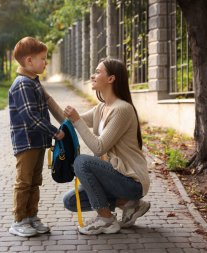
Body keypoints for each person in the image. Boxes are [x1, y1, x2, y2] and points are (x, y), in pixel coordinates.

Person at [62, 58, 151, 235]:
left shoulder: (122, 109)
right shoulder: (101, 108)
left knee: (82, 162)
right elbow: (69, 121)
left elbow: (99, 147)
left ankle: (106, 219)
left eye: (97, 71)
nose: (92, 75)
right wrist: (44, 98)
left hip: (131, 180)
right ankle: (129, 204)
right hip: (114, 176)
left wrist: (77, 119)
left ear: (111, 79)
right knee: (71, 201)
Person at [8, 36, 65, 237]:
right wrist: (55, 132)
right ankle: (19, 220)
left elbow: (48, 104)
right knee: (24, 181)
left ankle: (31, 216)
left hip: (38, 141)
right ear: (29, 61)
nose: (46, 62)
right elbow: (30, 117)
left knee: (35, 180)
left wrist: (65, 122)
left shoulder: (33, 81)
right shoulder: (23, 84)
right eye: (42, 58)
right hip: (27, 142)